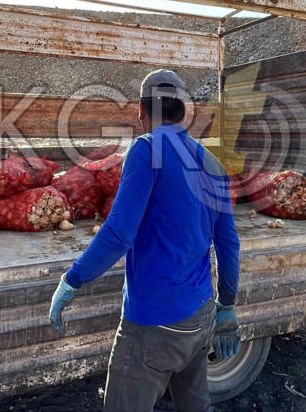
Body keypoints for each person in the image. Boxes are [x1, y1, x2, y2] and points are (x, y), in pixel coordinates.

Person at [48, 69, 241, 412]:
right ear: (183, 111)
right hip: (200, 313)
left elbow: (119, 233)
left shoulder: (146, 148)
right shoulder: (211, 162)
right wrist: (227, 306)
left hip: (154, 321)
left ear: (141, 110)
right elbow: (228, 244)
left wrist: (72, 280)